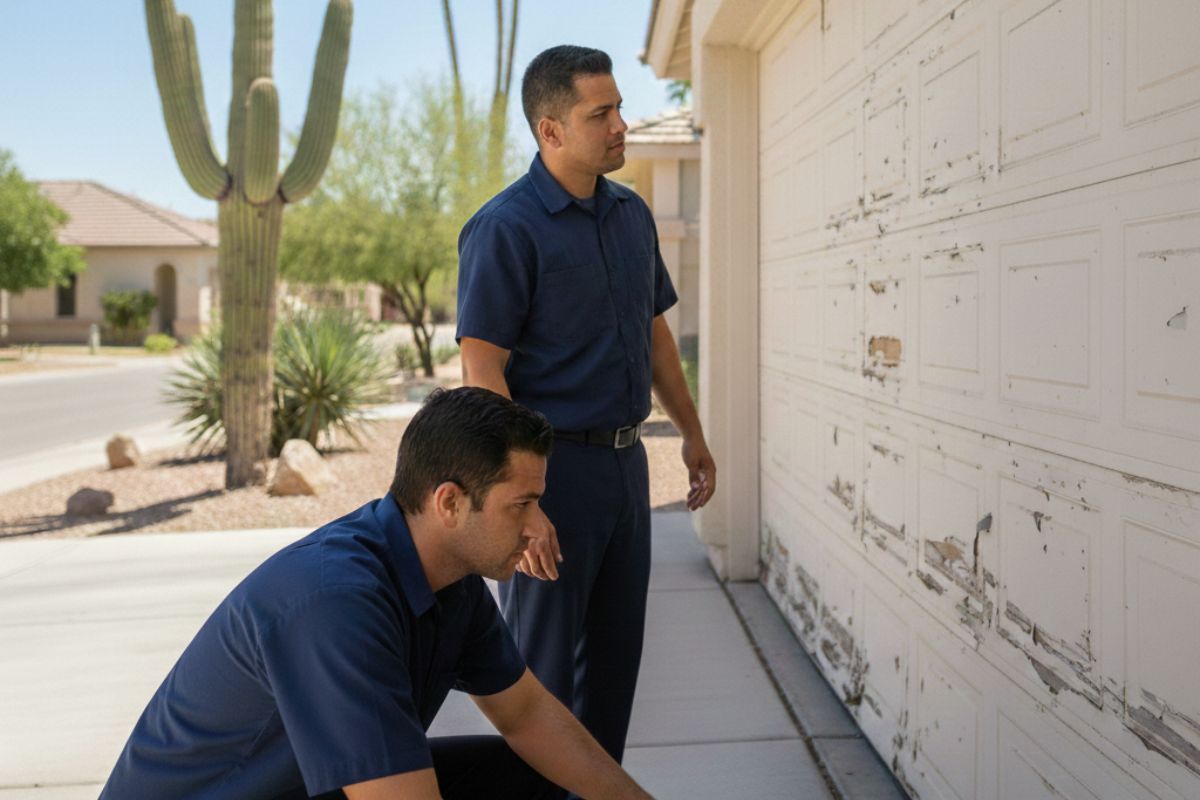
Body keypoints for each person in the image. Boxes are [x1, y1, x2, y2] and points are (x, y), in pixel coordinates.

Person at [100, 387, 654, 800]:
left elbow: (527, 714)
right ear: (450, 503)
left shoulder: (451, 579)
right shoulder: (332, 603)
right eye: (521, 504)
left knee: (535, 776)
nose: (538, 527)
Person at [455, 44, 717, 763]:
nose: (620, 125)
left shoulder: (631, 215)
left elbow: (655, 336)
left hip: (626, 473)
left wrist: (691, 434)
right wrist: (520, 500)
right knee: (541, 682)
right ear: (551, 131)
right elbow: (482, 370)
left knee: (612, 671)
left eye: (619, 109)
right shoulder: (505, 228)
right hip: (553, 477)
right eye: (600, 114)